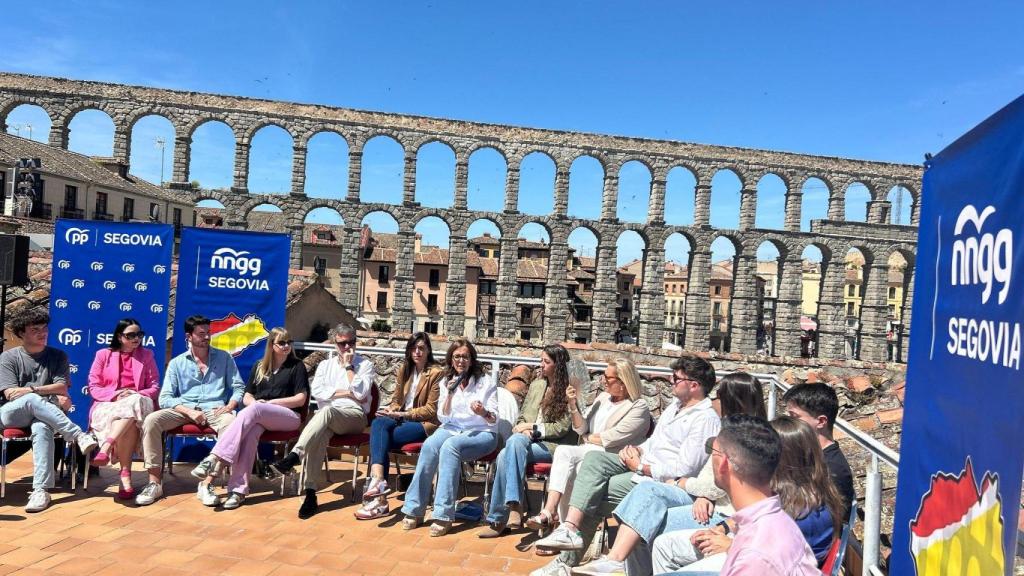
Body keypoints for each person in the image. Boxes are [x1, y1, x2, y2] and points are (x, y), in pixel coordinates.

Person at [532, 355, 721, 576]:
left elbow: (685, 468)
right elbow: (655, 442)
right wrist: (639, 449)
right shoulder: (675, 408)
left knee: (596, 493)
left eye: (676, 378)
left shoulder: (704, 419)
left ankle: (567, 562)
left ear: (694, 385)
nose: (671, 381)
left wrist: (641, 467)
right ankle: (569, 529)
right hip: (642, 466)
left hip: (664, 482)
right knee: (593, 461)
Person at [572, 372, 767, 576]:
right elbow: (715, 483)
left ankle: (609, 558)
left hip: (725, 515)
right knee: (637, 518)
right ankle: (599, 553)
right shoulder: (734, 430)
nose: (714, 399)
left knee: (642, 511)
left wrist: (680, 483)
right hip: (708, 503)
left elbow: (713, 484)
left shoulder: (738, 437)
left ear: (731, 401)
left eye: (719, 395)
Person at [650, 416, 836, 575]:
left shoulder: (756, 554)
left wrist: (730, 545)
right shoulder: (778, 513)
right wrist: (723, 529)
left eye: (712, 451)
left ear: (723, 463)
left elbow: (758, 556)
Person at [524, 357, 650, 534]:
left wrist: (587, 436)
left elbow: (611, 438)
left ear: (623, 382)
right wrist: (573, 405)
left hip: (612, 457)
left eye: (608, 378)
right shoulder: (603, 398)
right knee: (563, 452)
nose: (602, 380)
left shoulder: (638, 407)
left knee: (575, 463)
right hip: (589, 450)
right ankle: (550, 513)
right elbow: (581, 427)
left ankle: (565, 528)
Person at [190, 327, 308, 509]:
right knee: (249, 434)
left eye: (289, 342)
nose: (286, 346)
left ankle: (214, 458)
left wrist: (271, 403)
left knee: (255, 409)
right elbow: (247, 396)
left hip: (289, 417)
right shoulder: (259, 366)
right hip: (260, 416)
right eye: (282, 342)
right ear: (272, 345)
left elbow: (301, 399)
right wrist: (256, 404)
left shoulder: (296, 365)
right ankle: (238, 491)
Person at [135, 314, 245, 506]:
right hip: (184, 408)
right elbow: (165, 397)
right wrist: (189, 411)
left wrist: (230, 405)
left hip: (215, 408)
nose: (207, 337)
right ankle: (154, 483)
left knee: (231, 423)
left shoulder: (224, 358)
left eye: (208, 333)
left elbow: (238, 387)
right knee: (152, 420)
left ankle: (207, 483)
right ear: (189, 337)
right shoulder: (177, 363)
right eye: (201, 334)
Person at [269, 323, 376, 519]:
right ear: (335, 344)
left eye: (351, 342)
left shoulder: (365, 365)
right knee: (320, 433)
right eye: (342, 344)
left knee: (325, 413)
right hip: (328, 417)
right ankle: (310, 494)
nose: (347, 348)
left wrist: (349, 367)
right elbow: (317, 393)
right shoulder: (325, 366)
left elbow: (360, 394)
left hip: (354, 417)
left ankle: (294, 456)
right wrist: (345, 392)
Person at [0, 309, 98, 512]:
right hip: (11, 414)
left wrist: (30, 391)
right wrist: (40, 393)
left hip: (45, 414)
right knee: (32, 400)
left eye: (44, 328)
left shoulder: (58, 356)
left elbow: (62, 388)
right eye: (35, 329)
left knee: (42, 427)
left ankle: (40, 490)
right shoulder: (8, 358)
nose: (43, 333)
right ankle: (78, 435)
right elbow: (10, 393)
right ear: (21, 334)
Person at [400, 338, 499, 537]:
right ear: (451, 360)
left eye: (464, 357)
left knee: (450, 447)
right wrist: (450, 394)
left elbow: (494, 419)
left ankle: (443, 514)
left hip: (483, 433)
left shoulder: (485, 382)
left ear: (472, 360)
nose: (460, 361)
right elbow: (442, 417)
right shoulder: (447, 381)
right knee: (429, 445)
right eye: (456, 357)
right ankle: (414, 509)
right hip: (453, 428)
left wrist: (483, 412)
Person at [480, 344, 578, 537]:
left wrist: (530, 430)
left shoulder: (569, 390)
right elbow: (523, 416)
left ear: (558, 365)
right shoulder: (536, 385)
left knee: (507, 452)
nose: (541, 365)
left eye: (546, 362)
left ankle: (501, 517)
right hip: (525, 442)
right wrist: (521, 427)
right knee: (505, 454)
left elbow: (561, 428)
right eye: (541, 360)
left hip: (554, 446)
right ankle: (511, 508)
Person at [354, 332, 443, 520]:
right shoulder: (405, 369)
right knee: (379, 422)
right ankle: (379, 482)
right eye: (413, 348)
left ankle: (380, 500)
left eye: (421, 348)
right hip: (401, 419)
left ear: (428, 351)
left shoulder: (436, 373)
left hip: (424, 424)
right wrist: (391, 410)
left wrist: (401, 413)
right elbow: (396, 400)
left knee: (380, 439)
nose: (417, 352)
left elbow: (431, 411)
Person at [87, 318, 161, 500]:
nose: (137, 339)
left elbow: (154, 386)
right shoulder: (103, 355)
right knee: (128, 420)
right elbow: (94, 386)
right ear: (120, 337)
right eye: (131, 335)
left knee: (134, 402)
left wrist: (134, 394)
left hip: (140, 402)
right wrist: (116, 394)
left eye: (139, 335)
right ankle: (125, 475)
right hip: (110, 403)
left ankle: (107, 445)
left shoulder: (147, 355)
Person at [782, 383, 855, 513]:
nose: (788, 423)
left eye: (794, 417)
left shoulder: (833, 469)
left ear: (821, 422)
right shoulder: (809, 455)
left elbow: (829, 525)